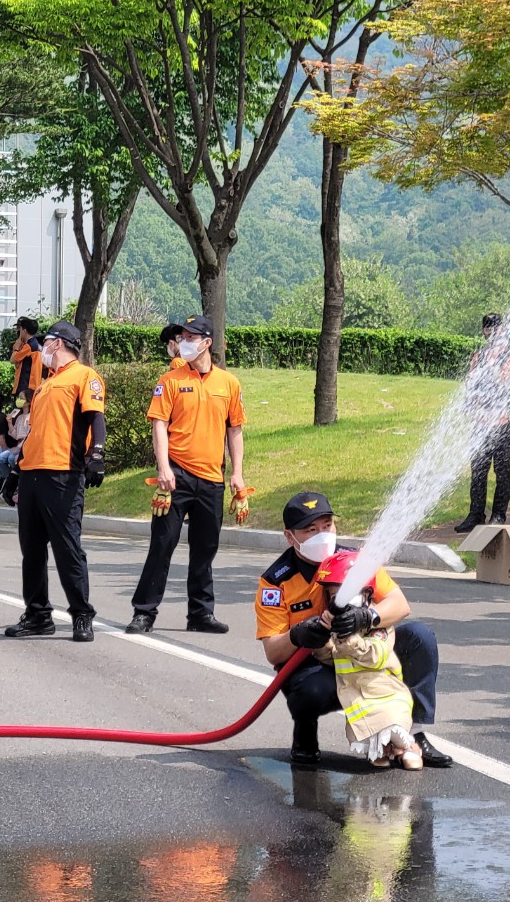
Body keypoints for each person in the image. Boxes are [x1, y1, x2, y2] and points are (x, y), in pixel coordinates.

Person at [253, 491, 453, 769]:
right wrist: (298, 635)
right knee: (311, 691)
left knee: (420, 637)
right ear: (290, 537)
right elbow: (273, 652)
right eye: (310, 530)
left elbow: (400, 604)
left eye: (327, 526)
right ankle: (305, 736)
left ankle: (414, 734)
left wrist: (366, 617)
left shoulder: (356, 562)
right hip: (317, 663)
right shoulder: (276, 582)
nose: (322, 535)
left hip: (365, 651)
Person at [126, 316, 244, 635]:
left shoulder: (229, 384)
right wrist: (163, 467)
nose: (183, 342)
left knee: (205, 549)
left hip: (212, 479)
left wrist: (237, 473)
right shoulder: (170, 380)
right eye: (182, 337)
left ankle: (201, 614)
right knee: (162, 545)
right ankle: (144, 613)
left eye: (190, 337)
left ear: (207, 342)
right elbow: (159, 424)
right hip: (176, 477)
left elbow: (234, 430)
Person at [3, 319, 106, 643]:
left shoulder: (84, 376)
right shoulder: (46, 384)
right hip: (32, 473)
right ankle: (37, 615)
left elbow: (95, 417)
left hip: (63, 473)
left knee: (67, 547)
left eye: (46, 342)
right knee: (32, 549)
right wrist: (16, 472)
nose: (43, 347)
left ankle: (82, 613)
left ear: (57, 343)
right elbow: (35, 433)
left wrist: (97, 454)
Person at [307, 550, 423, 770]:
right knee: (363, 731)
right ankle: (383, 751)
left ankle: (408, 748)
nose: (339, 600)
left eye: (346, 593)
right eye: (333, 595)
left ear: (367, 594)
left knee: (393, 723)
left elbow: (376, 656)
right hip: (356, 698)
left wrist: (349, 638)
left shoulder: (379, 625)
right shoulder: (334, 626)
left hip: (385, 692)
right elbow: (331, 657)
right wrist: (319, 640)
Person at [454, 313, 510, 532]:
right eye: (488, 328)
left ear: (502, 330)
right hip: (481, 423)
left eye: (495, 328)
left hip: (504, 421)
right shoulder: (479, 357)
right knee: (478, 469)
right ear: (483, 331)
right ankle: (475, 515)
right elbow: (470, 385)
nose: (491, 331)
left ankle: (498, 515)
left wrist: (505, 383)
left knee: (502, 469)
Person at [9, 316, 43, 403]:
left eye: (20, 329)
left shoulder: (28, 346)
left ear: (24, 330)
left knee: (22, 408)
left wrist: (17, 347)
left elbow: (13, 359)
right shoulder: (36, 344)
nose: (18, 332)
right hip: (33, 385)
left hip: (26, 385)